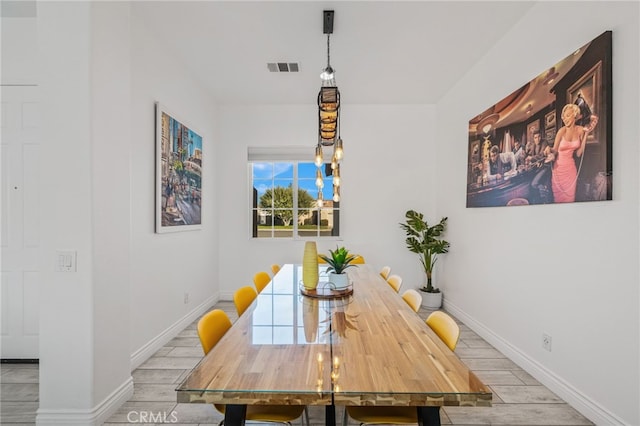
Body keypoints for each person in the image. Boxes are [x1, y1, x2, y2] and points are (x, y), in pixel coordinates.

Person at [547, 103, 598, 203]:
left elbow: (579, 153)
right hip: (558, 171)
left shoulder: (580, 130)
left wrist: (586, 135)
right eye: (563, 117)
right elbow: (554, 150)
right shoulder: (561, 131)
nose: (564, 119)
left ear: (575, 115)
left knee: (570, 200)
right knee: (558, 200)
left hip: (570, 171)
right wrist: (549, 150)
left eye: (567, 116)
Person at [525, 130, 552, 203]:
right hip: (538, 168)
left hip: (545, 167)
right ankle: (539, 199)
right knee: (529, 182)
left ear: (541, 136)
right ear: (533, 138)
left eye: (539, 136)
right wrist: (527, 155)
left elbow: (541, 155)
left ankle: (545, 193)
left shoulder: (544, 142)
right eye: (536, 137)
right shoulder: (533, 145)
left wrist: (532, 158)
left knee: (534, 183)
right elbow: (529, 155)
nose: (538, 139)